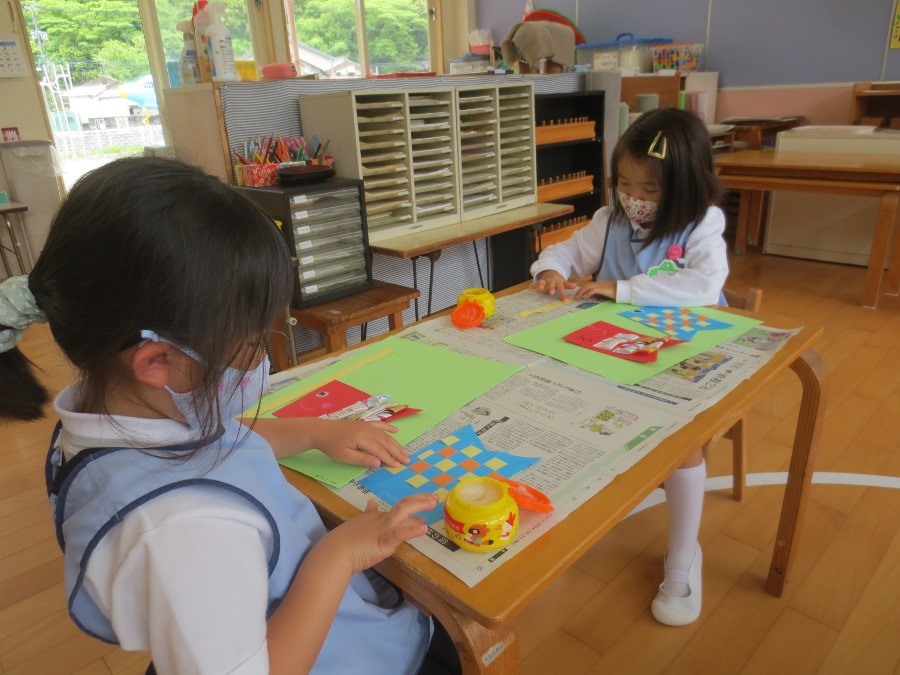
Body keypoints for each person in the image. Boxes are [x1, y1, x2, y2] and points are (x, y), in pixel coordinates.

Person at [0, 157, 460, 674]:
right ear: (156, 360)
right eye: (251, 341)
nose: (260, 357)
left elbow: (208, 441)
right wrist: (341, 555)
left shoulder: (116, 410)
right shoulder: (184, 530)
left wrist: (313, 431)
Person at [531, 108, 728, 626]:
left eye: (651, 189)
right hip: (614, 350)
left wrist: (622, 288)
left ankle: (683, 557)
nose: (633, 198)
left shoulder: (702, 224)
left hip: (685, 349)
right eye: (624, 183)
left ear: (686, 186)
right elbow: (567, 253)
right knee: (554, 396)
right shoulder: (610, 220)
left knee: (682, 444)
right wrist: (552, 269)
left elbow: (704, 286)